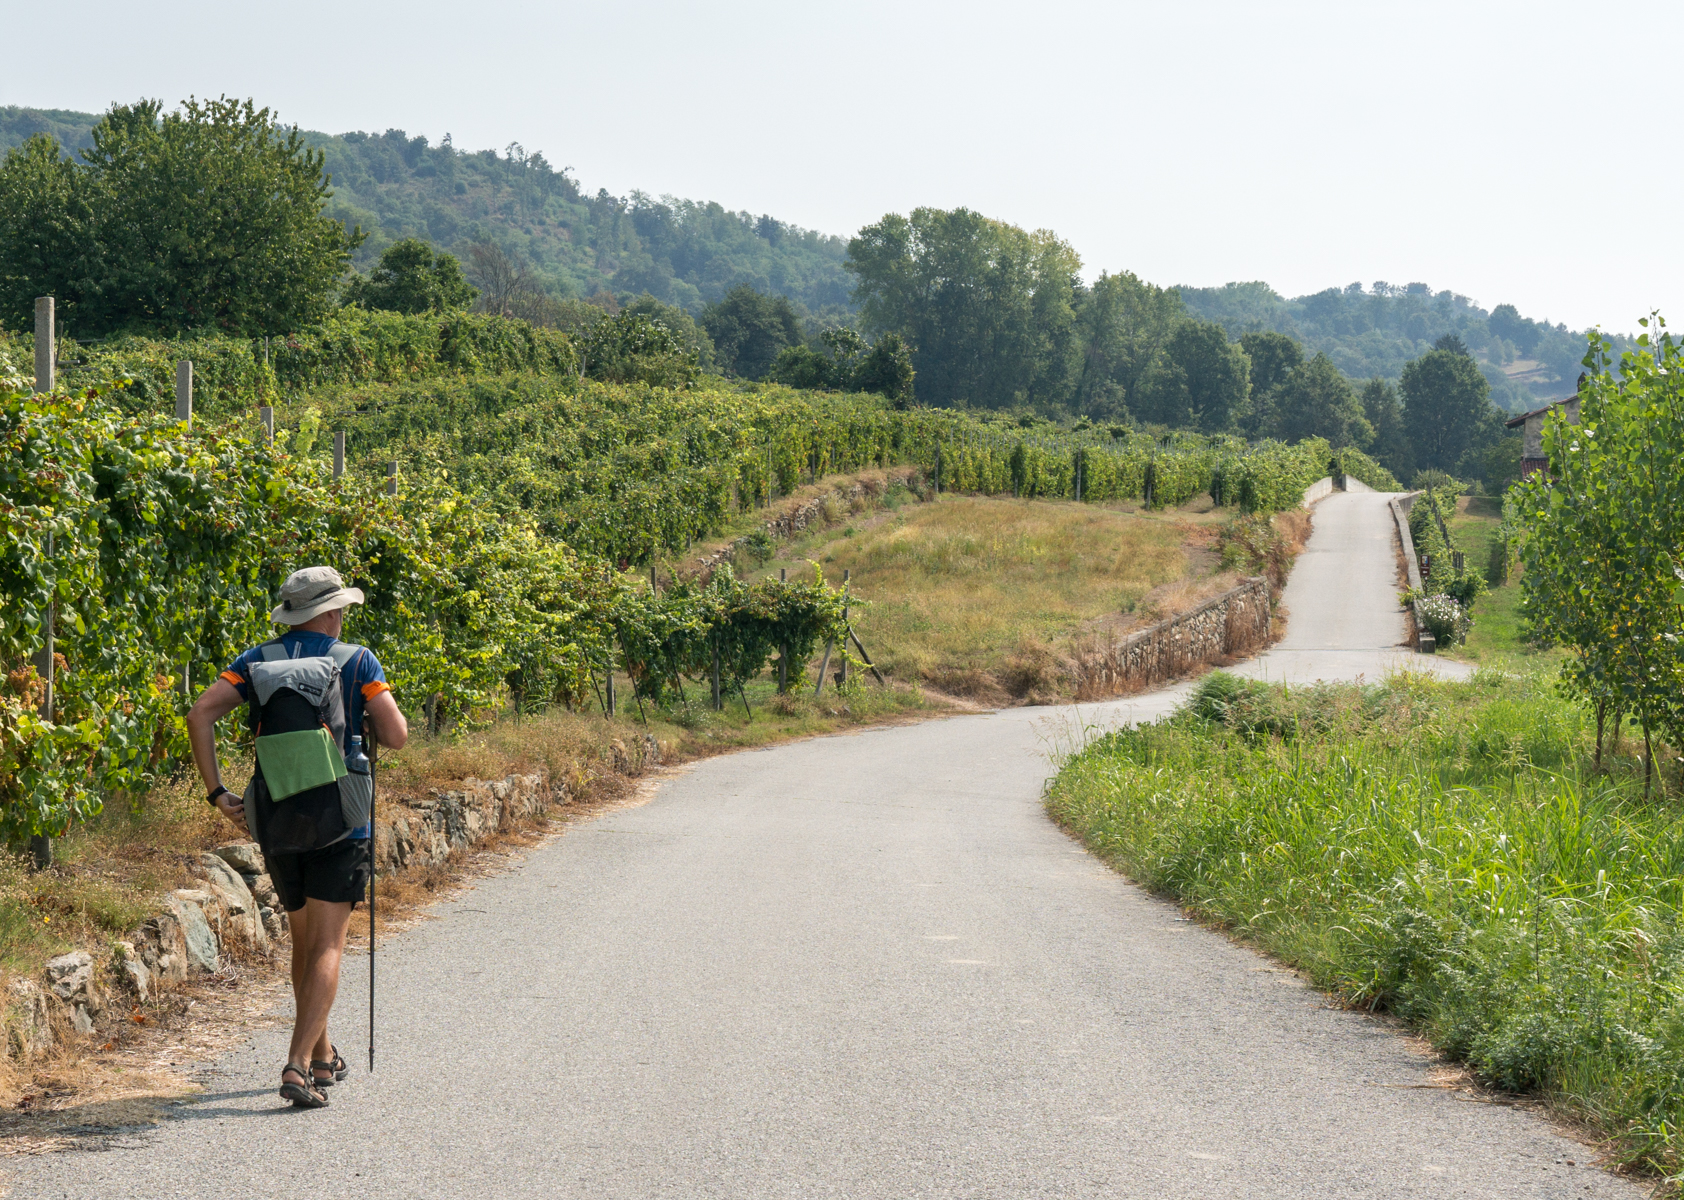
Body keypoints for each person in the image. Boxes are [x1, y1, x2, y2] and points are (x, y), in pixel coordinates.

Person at [187, 566, 408, 1109]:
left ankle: (323, 1054)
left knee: (305, 943)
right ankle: (296, 1063)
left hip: (279, 817)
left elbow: (200, 715)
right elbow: (397, 736)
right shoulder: (358, 660)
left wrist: (219, 794)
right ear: (330, 613)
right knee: (330, 946)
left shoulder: (255, 660)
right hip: (343, 819)